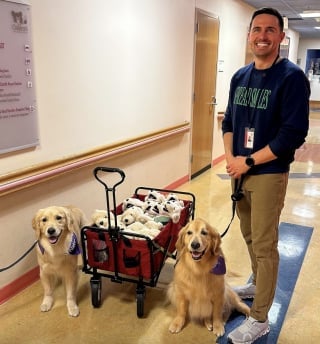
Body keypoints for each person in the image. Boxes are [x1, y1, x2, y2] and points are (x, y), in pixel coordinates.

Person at [221, 7, 310, 344]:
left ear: (281, 37)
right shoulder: (240, 76)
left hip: (268, 172)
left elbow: (292, 134)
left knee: (264, 244)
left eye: (270, 30)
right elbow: (229, 121)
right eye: (257, 29)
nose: (262, 35)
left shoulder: (291, 77)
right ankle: (257, 283)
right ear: (249, 34)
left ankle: (260, 319)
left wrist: (249, 162)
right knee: (248, 234)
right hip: (239, 170)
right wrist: (231, 158)